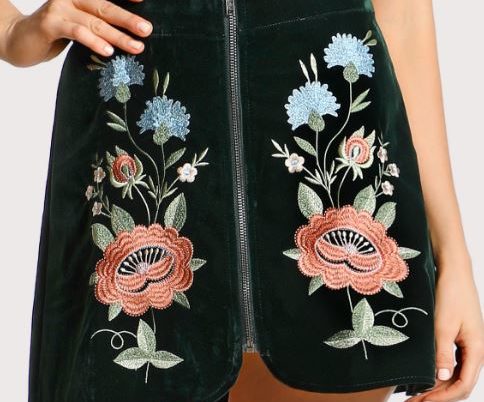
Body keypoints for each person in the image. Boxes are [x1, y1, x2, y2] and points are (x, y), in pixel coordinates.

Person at [1, 1, 483, 402]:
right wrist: (13, 32)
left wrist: (453, 257)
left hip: (337, 187)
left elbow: (401, 13)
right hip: (138, 173)